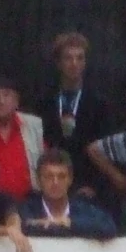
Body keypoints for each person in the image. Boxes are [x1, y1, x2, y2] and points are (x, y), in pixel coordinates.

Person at [37, 32, 114, 202]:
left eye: (80, 58)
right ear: (58, 63)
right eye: (68, 58)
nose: (74, 64)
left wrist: (93, 185)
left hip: (88, 188)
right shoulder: (44, 102)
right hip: (51, 184)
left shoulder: (99, 104)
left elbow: (105, 149)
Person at [19, 150, 119, 240]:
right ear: (38, 180)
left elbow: (109, 227)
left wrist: (69, 223)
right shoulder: (27, 208)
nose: (55, 182)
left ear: (70, 179)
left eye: (61, 176)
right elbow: (21, 225)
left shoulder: (83, 207)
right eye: (49, 176)